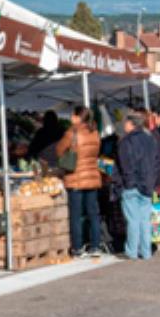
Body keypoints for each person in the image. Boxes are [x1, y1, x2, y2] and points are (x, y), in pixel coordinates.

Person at [56, 106, 102, 257]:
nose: (71, 118)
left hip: (75, 177)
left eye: (72, 115)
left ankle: (77, 247)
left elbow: (59, 150)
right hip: (92, 176)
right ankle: (95, 246)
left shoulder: (72, 132)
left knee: (76, 215)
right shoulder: (95, 132)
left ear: (77, 117)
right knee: (93, 213)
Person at [117, 113, 160, 261]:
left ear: (131, 124)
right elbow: (156, 163)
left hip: (132, 184)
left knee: (133, 220)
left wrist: (128, 181)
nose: (124, 125)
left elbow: (125, 164)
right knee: (144, 220)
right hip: (147, 184)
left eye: (126, 123)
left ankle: (132, 251)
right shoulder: (151, 139)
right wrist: (152, 181)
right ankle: (146, 251)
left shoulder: (126, 141)